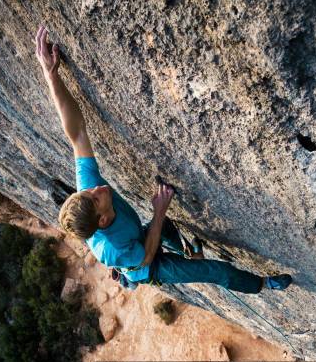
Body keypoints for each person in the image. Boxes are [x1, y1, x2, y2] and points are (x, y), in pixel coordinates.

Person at [35, 25, 293, 294]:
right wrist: (158, 210)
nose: (99, 188)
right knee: (215, 271)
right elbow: (146, 256)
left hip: (139, 240)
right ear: (101, 220)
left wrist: (51, 76)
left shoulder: (87, 191)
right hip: (147, 266)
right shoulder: (109, 249)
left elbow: (76, 134)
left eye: (90, 191)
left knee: (167, 228)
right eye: (96, 197)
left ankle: (186, 250)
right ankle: (263, 284)